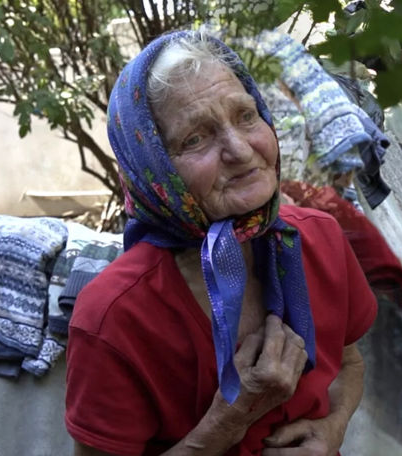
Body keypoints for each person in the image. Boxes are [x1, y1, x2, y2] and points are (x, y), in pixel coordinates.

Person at [65, 27, 377, 455]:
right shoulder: (115, 315)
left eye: (246, 116)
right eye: (196, 138)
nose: (241, 150)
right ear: (151, 167)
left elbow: (350, 363)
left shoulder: (319, 236)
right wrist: (228, 421)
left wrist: (332, 430)